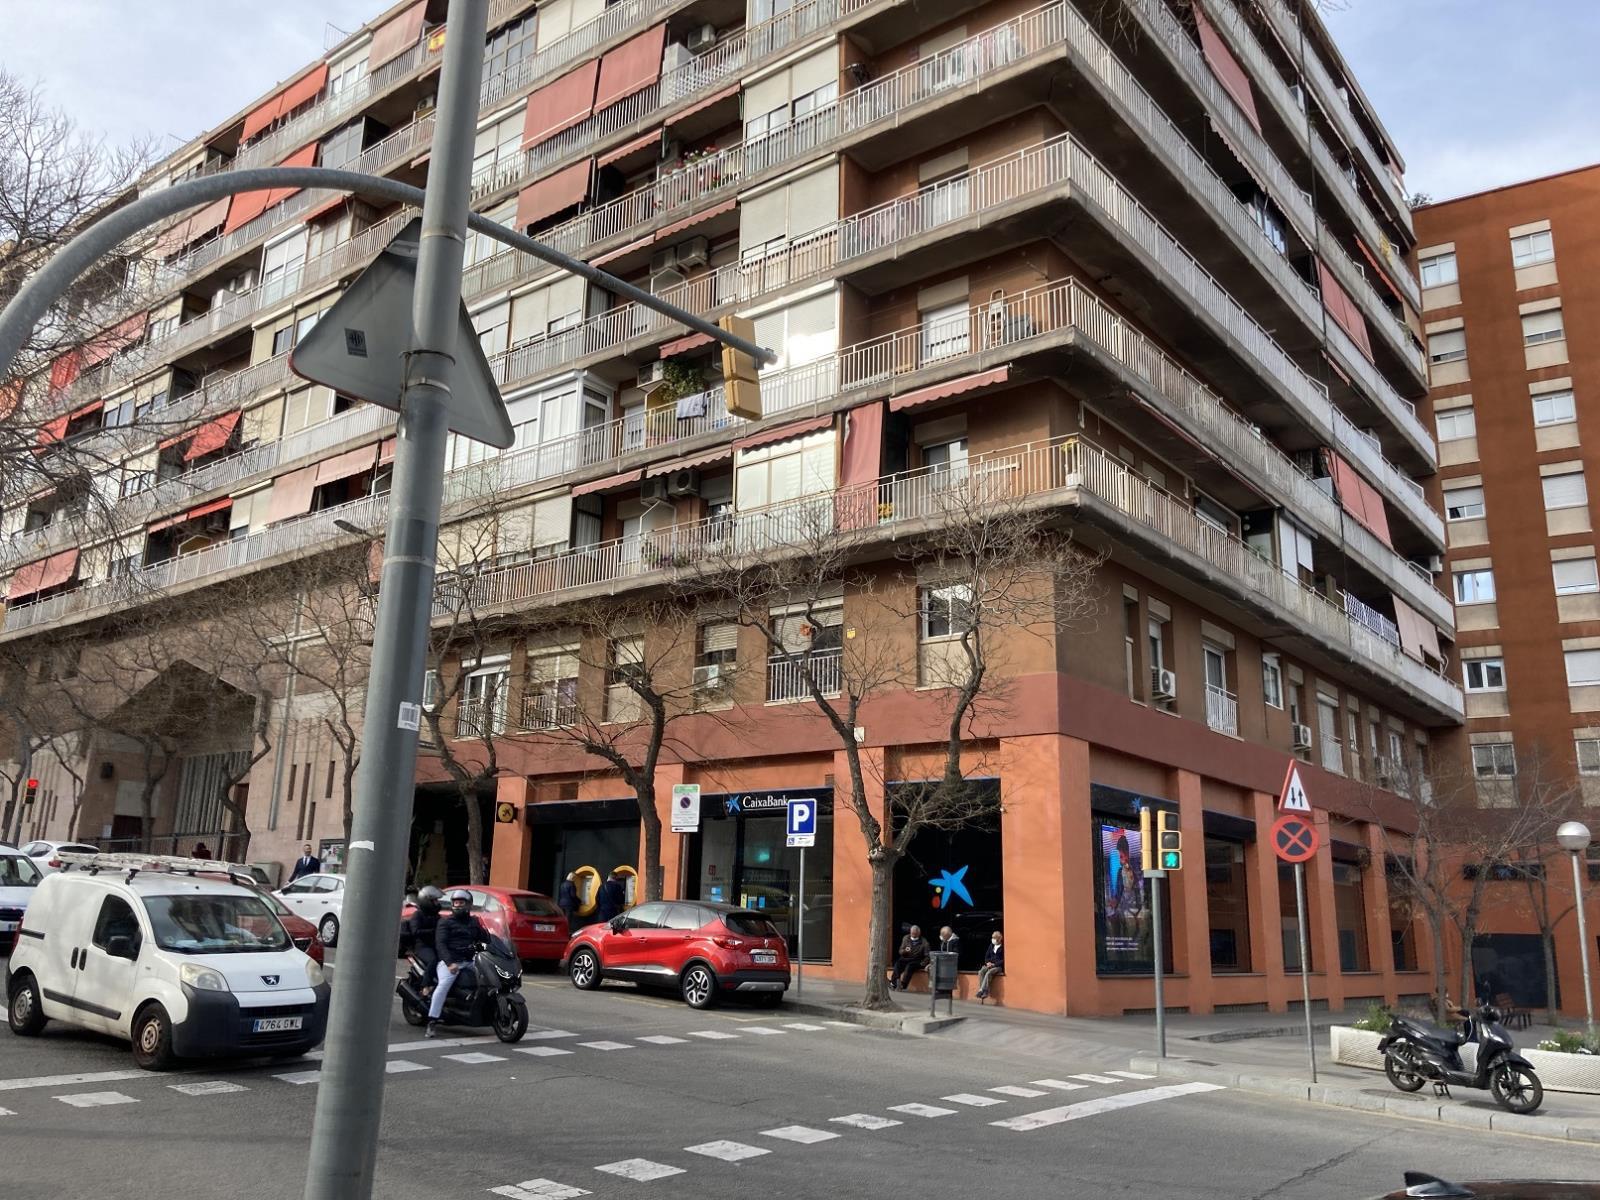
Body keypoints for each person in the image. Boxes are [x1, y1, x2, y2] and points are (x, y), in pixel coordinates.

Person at [428, 890, 492, 1036]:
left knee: (490, 976)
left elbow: (485, 938)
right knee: (443, 986)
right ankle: (432, 1020)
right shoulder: (445, 922)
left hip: (470, 960)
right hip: (451, 961)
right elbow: (441, 945)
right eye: (455, 903)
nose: (457, 905)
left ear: (468, 905)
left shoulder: (474, 922)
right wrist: (450, 963)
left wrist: (495, 944)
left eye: (461, 903)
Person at [405, 886, 444, 993]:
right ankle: (425, 985)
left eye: (437, 900)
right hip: (422, 946)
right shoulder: (418, 915)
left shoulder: (437, 916)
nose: (437, 903)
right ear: (426, 901)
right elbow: (415, 931)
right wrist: (433, 931)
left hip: (435, 945)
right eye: (434, 901)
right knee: (433, 960)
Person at [889, 925, 929, 990]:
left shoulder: (924, 942)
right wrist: (905, 951)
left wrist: (922, 963)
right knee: (898, 963)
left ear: (919, 933)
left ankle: (903, 985)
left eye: (915, 934)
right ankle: (895, 982)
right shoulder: (906, 938)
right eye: (912, 933)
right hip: (906, 958)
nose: (913, 935)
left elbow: (927, 956)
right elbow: (900, 951)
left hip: (917, 960)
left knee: (909, 966)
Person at [976, 931, 1004, 1002]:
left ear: (999, 939)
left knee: (989, 973)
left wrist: (994, 964)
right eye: (992, 938)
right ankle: (984, 992)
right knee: (981, 972)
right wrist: (988, 963)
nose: (992, 939)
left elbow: (1003, 960)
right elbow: (986, 956)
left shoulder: (1003, 947)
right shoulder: (991, 946)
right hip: (990, 964)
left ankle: (981, 990)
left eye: (994, 938)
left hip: (998, 966)